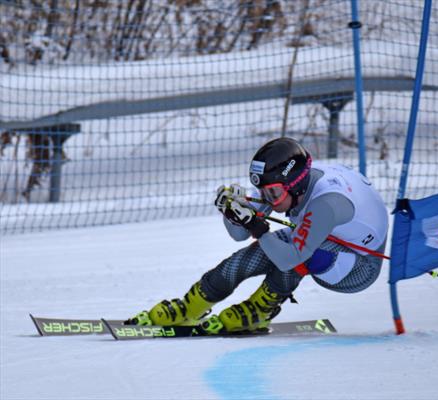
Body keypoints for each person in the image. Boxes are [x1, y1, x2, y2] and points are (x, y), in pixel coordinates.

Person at [126, 137, 389, 333]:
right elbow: (240, 235)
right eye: (262, 192)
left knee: (294, 254)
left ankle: (261, 309)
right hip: (327, 239)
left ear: (294, 186)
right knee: (253, 254)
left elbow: (288, 259)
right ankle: (190, 307)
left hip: (357, 267)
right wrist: (233, 212)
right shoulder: (286, 186)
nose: (267, 200)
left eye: (273, 194)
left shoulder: (326, 204)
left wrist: (259, 228)